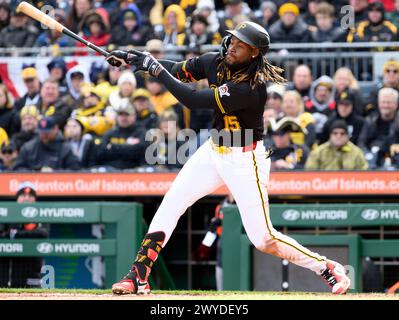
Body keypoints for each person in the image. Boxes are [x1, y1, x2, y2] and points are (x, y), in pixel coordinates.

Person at [106, 21, 351, 295]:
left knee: (263, 239)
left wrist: (154, 68)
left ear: (255, 53)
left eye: (241, 45)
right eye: (232, 40)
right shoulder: (215, 61)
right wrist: (139, 60)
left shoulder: (251, 87)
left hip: (245, 159)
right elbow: (178, 71)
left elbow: (193, 99)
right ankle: (138, 275)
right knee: (170, 204)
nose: (232, 47)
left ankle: (326, 268)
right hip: (213, 151)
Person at [0, 182, 48, 288]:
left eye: (30, 196)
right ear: (17, 198)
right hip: (6, 273)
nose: (26, 198)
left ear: (35, 200)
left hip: (31, 271)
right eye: (23, 195)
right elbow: (2, 234)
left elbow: (42, 233)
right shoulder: (6, 214)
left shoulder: (41, 215)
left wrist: (15, 234)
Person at [13, 116, 80, 172]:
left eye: (47, 133)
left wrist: (54, 173)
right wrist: (37, 172)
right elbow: (17, 169)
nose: (44, 135)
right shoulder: (28, 148)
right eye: (42, 132)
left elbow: (75, 170)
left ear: (55, 129)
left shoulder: (65, 148)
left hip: (58, 184)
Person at [96, 100, 146, 170]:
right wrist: (127, 147)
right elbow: (101, 153)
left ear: (134, 116)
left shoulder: (141, 132)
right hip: (110, 170)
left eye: (127, 114)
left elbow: (138, 151)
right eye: (120, 114)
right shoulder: (110, 133)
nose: (123, 117)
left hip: (134, 171)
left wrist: (113, 147)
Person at [358, 87, 399, 168]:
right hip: (373, 161)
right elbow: (361, 143)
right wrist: (368, 155)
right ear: (378, 103)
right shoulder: (370, 120)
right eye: (383, 102)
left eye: (389, 102)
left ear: (396, 105)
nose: (385, 105)